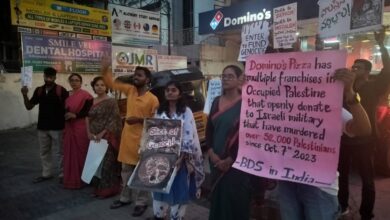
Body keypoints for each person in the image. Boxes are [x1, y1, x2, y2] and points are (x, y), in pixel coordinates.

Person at [277, 67, 372, 220]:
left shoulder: (330, 110)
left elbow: (363, 129)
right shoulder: (279, 110)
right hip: (286, 182)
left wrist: (350, 93)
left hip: (319, 187)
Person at [338, 26, 390, 219]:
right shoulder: (343, 88)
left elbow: (388, 70)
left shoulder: (374, 86)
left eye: (358, 67)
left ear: (367, 71)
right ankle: (342, 207)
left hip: (365, 141)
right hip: (344, 139)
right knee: (341, 177)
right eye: (353, 67)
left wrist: (381, 45)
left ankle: (366, 213)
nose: (353, 69)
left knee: (367, 180)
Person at [102, 58, 159, 217]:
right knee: (125, 172)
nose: (135, 77)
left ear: (147, 79)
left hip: (143, 140)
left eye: (139, 75)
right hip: (127, 140)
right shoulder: (131, 91)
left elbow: (156, 123)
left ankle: (141, 203)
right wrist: (105, 69)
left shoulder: (153, 99)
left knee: (142, 173)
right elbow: (111, 83)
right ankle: (125, 198)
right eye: (135, 75)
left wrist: (140, 120)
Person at [205, 65, 254, 220]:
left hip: (237, 164)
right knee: (218, 201)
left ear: (240, 79)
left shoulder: (248, 104)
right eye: (223, 76)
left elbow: (249, 136)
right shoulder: (215, 102)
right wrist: (211, 153)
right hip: (215, 161)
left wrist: (231, 159)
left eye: (230, 76)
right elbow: (209, 130)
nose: (225, 79)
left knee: (235, 202)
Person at [150, 81, 205, 220]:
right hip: (162, 158)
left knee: (179, 189)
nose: (170, 92)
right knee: (160, 189)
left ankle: (177, 217)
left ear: (180, 93)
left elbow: (189, 135)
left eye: (173, 90)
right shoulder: (159, 111)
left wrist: (180, 158)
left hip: (181, 159)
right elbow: (154, 132)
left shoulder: (186, 111)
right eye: (167, 90)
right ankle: (159, 215)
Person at [21, 67, 69, 183]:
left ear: (54, 77)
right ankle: (46, 173)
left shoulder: (61, 90)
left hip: (58, 127)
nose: (48, 79)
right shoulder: (39, 90)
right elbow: (29, 107)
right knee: (44, 152)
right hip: (42, 127)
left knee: (61, 152)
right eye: (46, 76)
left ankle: (63, 174)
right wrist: (24, 94)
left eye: (50, 77)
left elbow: (68, 108)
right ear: (43, 76)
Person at [86, 76, 122, 198]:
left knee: (107, 165)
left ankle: (108, 190)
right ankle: (97, 189)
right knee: (96, 164)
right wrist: (89, 133)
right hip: (93, 137)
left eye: (102, 85)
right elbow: (87, 118)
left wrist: (103, 133)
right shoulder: (91, 101)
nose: (100, 87)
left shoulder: (112, 101)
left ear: (106, 87)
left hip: (107, 137)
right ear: (93, 87)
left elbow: (114, 119)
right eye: (97, 85)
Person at [62, 73, 93, 189]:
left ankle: (84, 179)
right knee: (69, 153)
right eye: (72, 80)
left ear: (80, 82)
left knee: (82, 152)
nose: (74, 82)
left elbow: (88, 111)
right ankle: (71, 179)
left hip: (81, 127)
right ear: (69, 82)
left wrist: (75, 115)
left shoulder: (86, 95)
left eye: (77, 80)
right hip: (68, 127)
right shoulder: (65, 95)